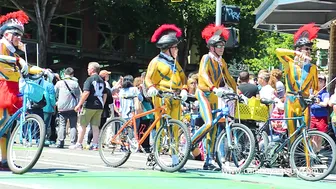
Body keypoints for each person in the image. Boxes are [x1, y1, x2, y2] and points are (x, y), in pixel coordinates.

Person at [191, 23, 237, 170]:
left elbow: (228, 77)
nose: (222, 48)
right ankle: (190, 144)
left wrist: (238, 92)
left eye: (223, 46)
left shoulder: (221, 62)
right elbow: (203, 74)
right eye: (219, 46)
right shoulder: (206, 58)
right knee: (209, 123)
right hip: (204, 93)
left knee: (214, 129)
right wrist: (212, 87)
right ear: (212, 47)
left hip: (214, 95)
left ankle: (209, 160)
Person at [144, 24, 188, 168]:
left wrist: (185, 89)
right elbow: (148, 78)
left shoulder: (176, 63)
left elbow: (183, 78)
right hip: (161, 96)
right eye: (175, 47)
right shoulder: (156, 61)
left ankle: (174, 156)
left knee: (174, 127)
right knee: (160, 125)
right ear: (168, 48)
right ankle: (156, 155)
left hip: (175, 97)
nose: (177, 50)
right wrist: (151, 87)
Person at [276, 23, 319, 145]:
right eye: (307, 48)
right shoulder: (289, 63)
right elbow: (277, 51)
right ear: (299, 49)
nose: (309, 51)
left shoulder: (313, 68)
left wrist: (314, 96)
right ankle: (291, 159)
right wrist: (296, 54)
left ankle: (308, 162)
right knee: (292, 133)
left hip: (305, 102)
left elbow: (315, 88)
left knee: (306, 132)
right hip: (290, 100)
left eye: (310, 49)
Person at [0, 10, 30, 170]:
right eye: (15, 34)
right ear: (6, 34)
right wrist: (18, 60)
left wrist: (44, 70)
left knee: (6, 127)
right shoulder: (1, 45)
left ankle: (4, 161)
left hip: (11, 89)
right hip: (1, 89)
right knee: (2, 123)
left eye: (20, 35)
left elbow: (24, 67)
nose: (19, 38)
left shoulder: (12, 51)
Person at [71, 62, 107, 150]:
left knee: (83, 125)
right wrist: (103, 103)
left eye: (88, 68)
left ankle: (79, 144)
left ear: (92, 69)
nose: (87, 70)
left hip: (89, 105)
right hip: (99, 105)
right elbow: (105, 94)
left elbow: (86, 92)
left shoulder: (89, 80)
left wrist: (79, 104)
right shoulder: (102, 80)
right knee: (95, 126)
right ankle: (95, 144)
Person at [54, 67, 81, 148]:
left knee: (62, 124)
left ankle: (60, 142)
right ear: (72, 74)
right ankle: (73, 142)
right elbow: (78, 95)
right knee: (73, 125)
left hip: (62, 107)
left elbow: (55, 93)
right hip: (73, 107)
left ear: (64, 74)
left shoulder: (59, 83)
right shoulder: (75, 84)